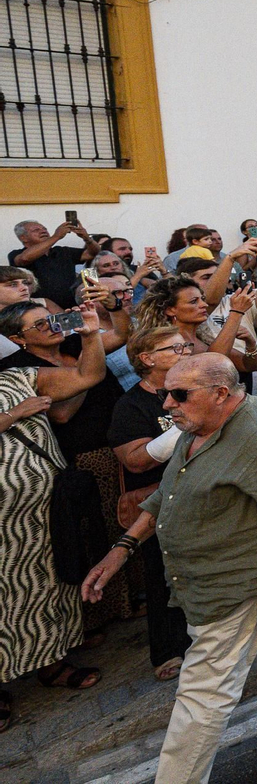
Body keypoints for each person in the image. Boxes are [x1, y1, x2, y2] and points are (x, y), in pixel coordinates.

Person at [80, 354, 257, 781]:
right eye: (164, 393)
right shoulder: (195, 427)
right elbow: (168, 493)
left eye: (179, 394)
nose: (167, 404)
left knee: (203, 692)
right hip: (207, 575)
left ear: (221, 393)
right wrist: (123, 548)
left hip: (239, 582)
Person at [0, 310, 110, 727]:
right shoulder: (19, 395)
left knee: (45, 583)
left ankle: (52, 663)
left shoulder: (19, 377)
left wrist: (90, 335)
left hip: (40, 511)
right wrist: (14, 415)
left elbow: (87, 376)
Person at [107, 326, 194, 681]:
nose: (185, 352)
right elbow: (135, 460)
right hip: (162, 500)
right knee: (163, 574)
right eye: (175, 348)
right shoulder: (131, 405)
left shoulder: (195, 388)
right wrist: (185, 427)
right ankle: (168, 649)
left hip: (206, 494)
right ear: (147, 359)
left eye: (186, 346)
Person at [10, 218, 100, 309]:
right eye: (36, 230)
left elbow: (92, 253)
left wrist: (87, 238)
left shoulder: (62, 251)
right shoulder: (16, 254)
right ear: (23, 238)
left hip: (73, 307)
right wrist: (56, 236)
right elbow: (24, 259)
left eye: (45, 229)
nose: (43, 231)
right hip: (40, 309)